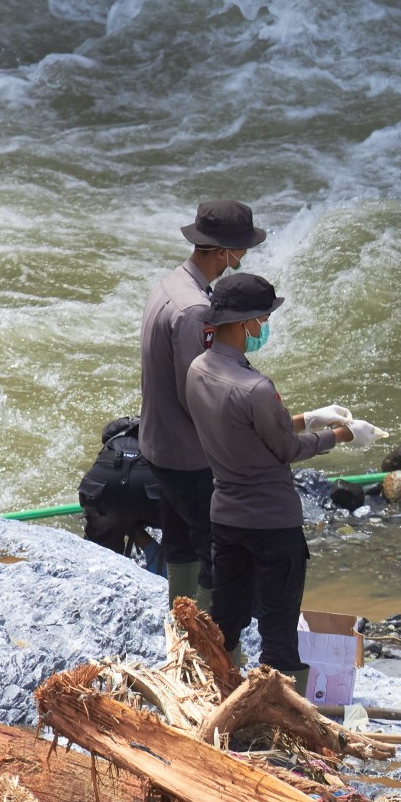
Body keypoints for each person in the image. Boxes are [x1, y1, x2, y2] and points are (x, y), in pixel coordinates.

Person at [186, 273, 377, 689]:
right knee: (278, 626)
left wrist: (307, 418)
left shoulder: (198, 370)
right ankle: (281, 716)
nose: (264, 327)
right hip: (272, 524)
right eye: (263, 319)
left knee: (225, 617)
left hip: (226, 517)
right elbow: (286, 450)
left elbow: (245, 428)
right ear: (248, 323)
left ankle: (214, 689)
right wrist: (341, 435)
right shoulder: (256, 387)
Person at [141, 199, 268, 607]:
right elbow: (197, 392)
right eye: (242, 249)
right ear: (222, 252)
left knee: (180, 543)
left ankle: (180, 631)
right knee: (219, 556)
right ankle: (210, 647)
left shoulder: (170, 284)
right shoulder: (196, 310)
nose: (244, 255)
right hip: (190, 456)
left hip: (159, 444)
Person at [77, 416, 164, 569]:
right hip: (148, 488)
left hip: (100, 484)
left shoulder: (113, 439)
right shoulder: (164, 432)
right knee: (182, 538)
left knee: (101, 553)